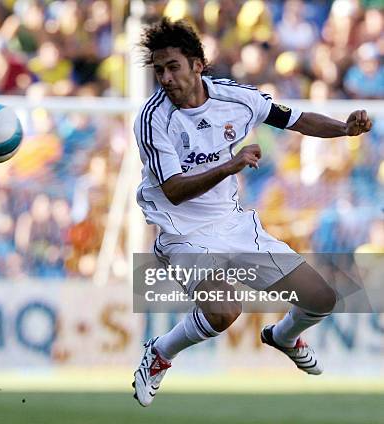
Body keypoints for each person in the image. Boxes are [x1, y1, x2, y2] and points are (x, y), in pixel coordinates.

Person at [131, 18, 372, 407]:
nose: (165, 78)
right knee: (224, 310)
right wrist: (230, 166)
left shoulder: (237, 98)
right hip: (182, 232)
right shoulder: (153, 119)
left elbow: (295, 119)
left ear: (197, 64)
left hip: (234, 224)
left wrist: (344, 129)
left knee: (321, 299)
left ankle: (283, 337)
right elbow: (173, 191)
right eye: (158, 70)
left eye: (172, 67)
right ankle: (160, 352)